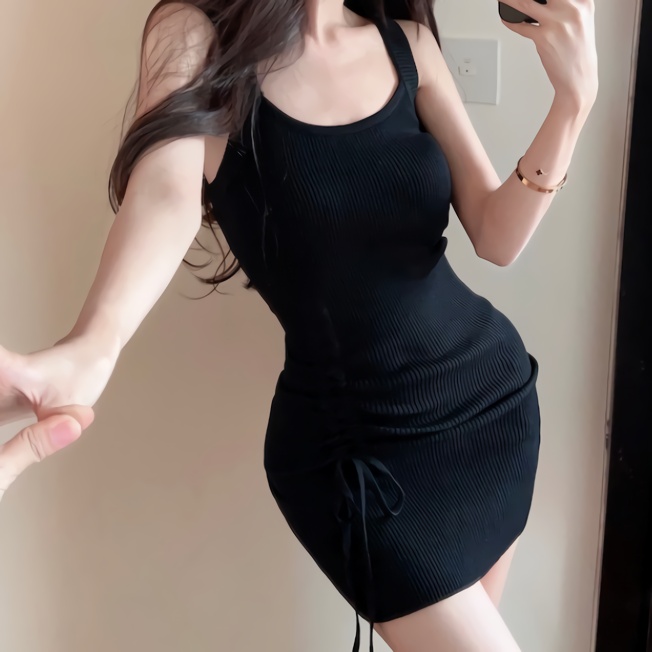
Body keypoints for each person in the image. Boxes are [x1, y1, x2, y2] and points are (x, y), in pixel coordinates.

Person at [0, 0, 597, 649]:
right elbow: (168, 191)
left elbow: (496, 234)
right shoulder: (198, 36)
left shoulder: (409, 46)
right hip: (358, 457)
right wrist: (93, 345)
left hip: (490, 410)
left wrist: (572, 103)